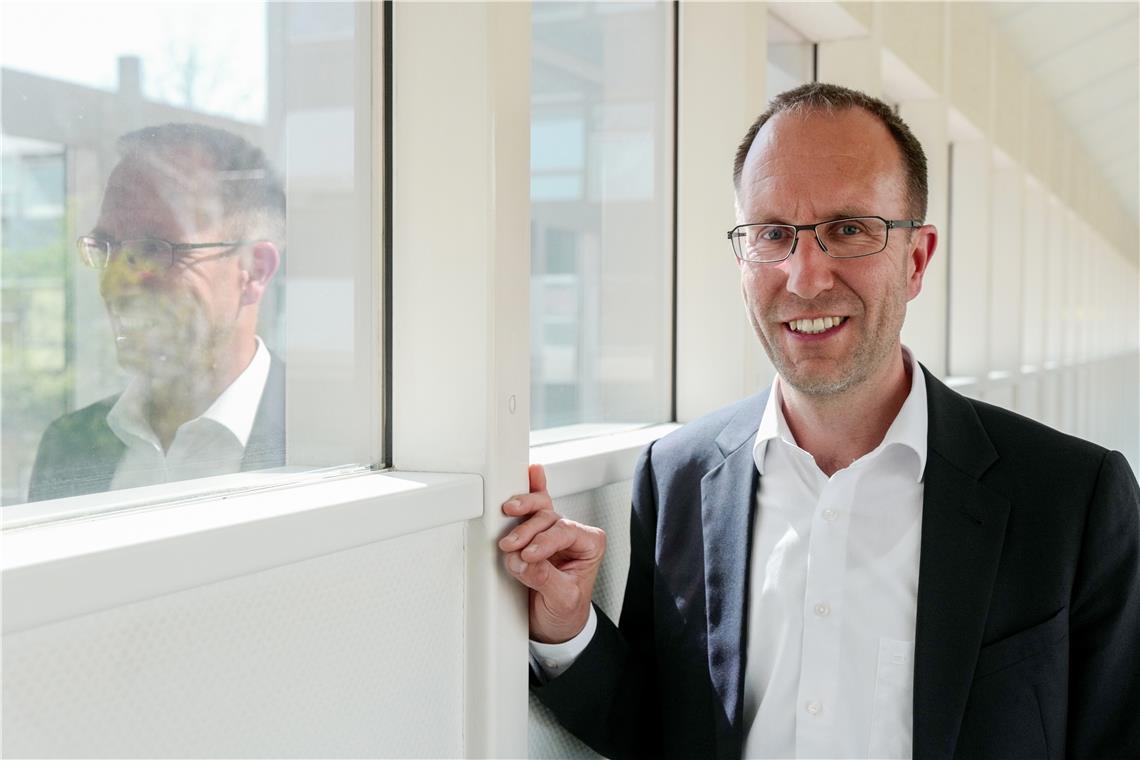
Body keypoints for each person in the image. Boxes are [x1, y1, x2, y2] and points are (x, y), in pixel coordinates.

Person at [499, 83, 1140, 759]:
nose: (805, 278)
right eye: (773, 234)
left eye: (848, 230)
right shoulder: (677, 477)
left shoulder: (1072, 498)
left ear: (916, 259)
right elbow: (661, 729)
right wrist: (568, 626)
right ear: (742, 261)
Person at [27, 124, 285, 502]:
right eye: (105, 247)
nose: (113, 283)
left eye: (154, 248)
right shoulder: (66, 447)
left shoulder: (328, 436)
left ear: (254, 270)